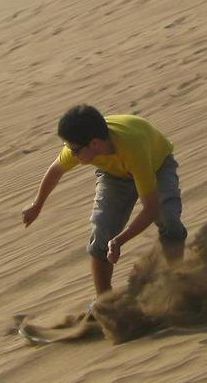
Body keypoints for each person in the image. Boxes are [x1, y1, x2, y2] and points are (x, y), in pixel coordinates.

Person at [21, 104, 187, 297]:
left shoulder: (133, 147)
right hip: (115, 173)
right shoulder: (79, 145)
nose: (71, 153)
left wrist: (119, 241)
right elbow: (55, 170)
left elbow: (151, 209)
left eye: (74, 150)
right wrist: (37, 205)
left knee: (169, 219)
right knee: (102, 233)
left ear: (94, 144)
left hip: (156, 165)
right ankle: (105, 304)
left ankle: (177, 286)